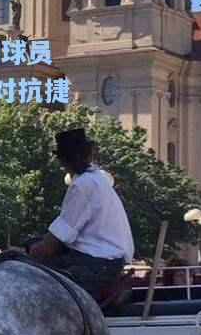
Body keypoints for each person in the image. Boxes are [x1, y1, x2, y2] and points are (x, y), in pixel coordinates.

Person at [27, 127, 133, 297]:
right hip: (105, 261)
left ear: (62, 161)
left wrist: (35, 249)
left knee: (37, 285)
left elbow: (58, 236)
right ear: (90, 154)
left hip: (96, 264)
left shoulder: (83, 185)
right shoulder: (98, 179)